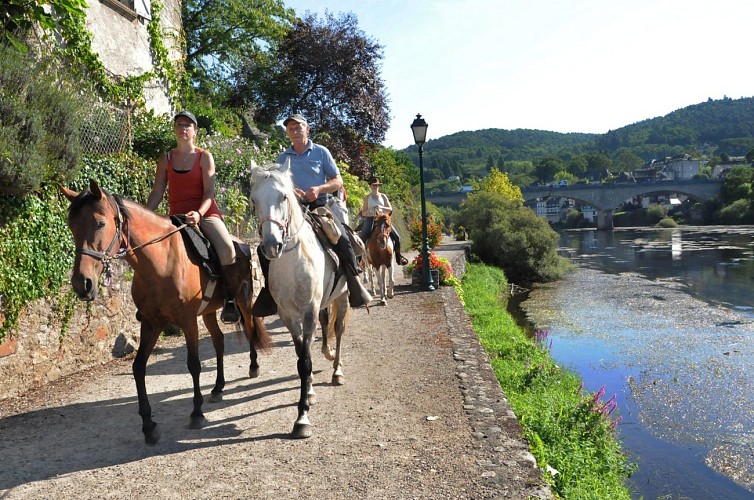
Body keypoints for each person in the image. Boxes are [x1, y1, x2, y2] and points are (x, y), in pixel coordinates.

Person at [250, 113, 371, 317]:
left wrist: (319, 189)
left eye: (298, 127)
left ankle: (354, 281)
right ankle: (269, 292)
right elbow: (279, 186)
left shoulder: (321, 152)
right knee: (267, 244)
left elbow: (337, 181)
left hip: (319, 206)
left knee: (341, 235)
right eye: (290, 128)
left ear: (307, 129)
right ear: (287, 133)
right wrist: (292, 191)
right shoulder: (283, 158)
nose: (294, 131)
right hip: (293, 209)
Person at [146, 110, 241, 324]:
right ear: (174, 129)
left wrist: (198, 213)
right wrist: (146, 216)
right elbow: (157, 192)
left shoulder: (204, 157)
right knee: (149, 249)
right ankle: (150, 301)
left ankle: (230, 299)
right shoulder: (166, 158)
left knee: (227, 248)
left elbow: (210, 193)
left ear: (195, 131)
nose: (183, 129)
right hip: (174, 216)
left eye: (188, 125)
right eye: (179, 124)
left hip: (204, 213)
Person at [358, 177, 409, 266]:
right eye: (374, 185)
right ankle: (358, 260)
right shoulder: (367, 198)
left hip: (383, 219)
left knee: (397, 236)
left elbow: (390, 209)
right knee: (362, 237)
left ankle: (399, 257)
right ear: (370, 186)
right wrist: (369, 212)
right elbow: (363, 211)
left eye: (378, 185)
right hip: (371, 219)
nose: (376, 187)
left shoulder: (383, 196)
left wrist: (381, 207)